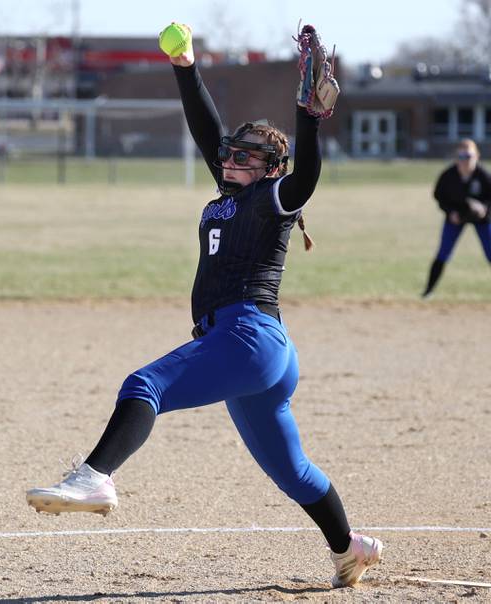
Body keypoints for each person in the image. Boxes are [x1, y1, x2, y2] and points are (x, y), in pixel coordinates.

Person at [26, 23, 382, 588]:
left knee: (145, 385)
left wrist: (309, 120)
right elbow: (206, 129)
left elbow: (308, 175)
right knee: (291, 472)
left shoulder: (273, 199)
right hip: (254, 352)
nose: (231, 161)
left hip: (248, 337)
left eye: (245, 157)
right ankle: (351, 549)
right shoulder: (230, 194)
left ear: (270, 169)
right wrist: (186, 66)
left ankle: (95, 476)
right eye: (230, 155)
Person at [422, 139, 491, 299]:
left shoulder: (484, 175)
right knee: (443, 253)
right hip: (456, 217)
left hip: (482, 218)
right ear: (456, 157)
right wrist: (450, 212)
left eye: (468, 155)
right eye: (461, 156)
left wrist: (485, 208)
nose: (464, 160)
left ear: (477, 156)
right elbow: (438, 196)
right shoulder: (448, 176)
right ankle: (427, 292)